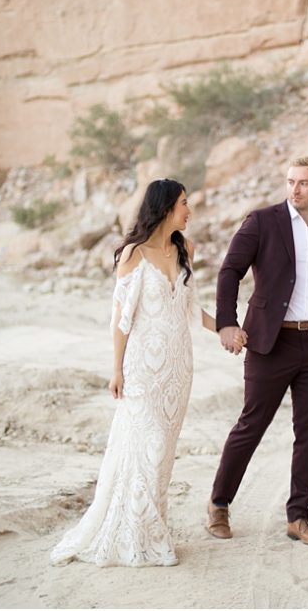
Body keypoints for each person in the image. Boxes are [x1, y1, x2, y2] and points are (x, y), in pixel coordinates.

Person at [51, 178, 223, 567]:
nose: (189, 210)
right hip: (142, 369)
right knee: (149, 447)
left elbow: (193, 311)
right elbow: (121, 318)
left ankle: (149, 526)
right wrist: (116, 369)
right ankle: (136, 534)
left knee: (163, 455)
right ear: (165, 208)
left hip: (178, 369)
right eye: (183, 203)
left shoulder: (186, 250)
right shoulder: (133, 254)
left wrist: (230, 330)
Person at [207, 156, 308, 546]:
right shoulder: (262, 222)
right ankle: (219, 503)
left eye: (303, 183)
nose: (294, 189)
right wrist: (227, 322)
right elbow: (229, 272)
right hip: (271, 342)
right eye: (290, 181)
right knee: (251, 424)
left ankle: (299, 517)